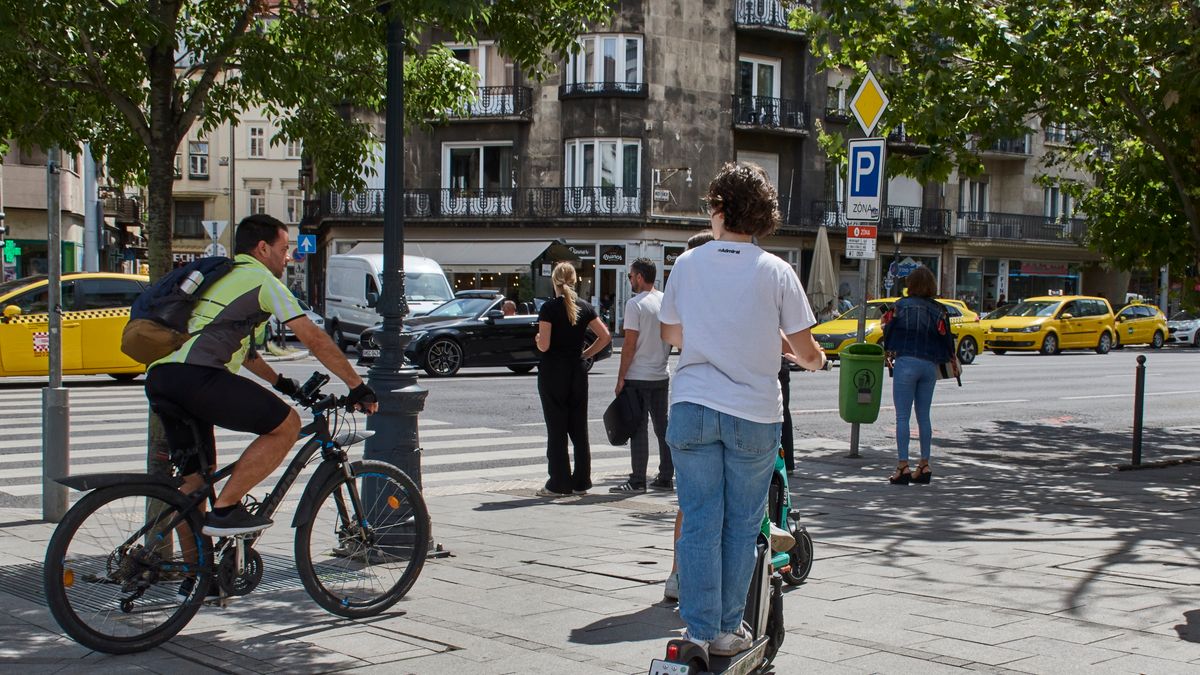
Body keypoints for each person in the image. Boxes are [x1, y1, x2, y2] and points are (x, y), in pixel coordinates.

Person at [659, 163, 826, 656]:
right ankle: (728, 630)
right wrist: (809, 361)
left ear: (720, 208)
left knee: (699, 518)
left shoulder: (688, 264)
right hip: (753, 414)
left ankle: (698, 630)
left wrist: (713, 338)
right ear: (762, 216)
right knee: (740, 525)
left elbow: (670, 332)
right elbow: (806, 348)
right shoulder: (776, 270)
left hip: (692, 405)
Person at [145, 214, 378, 536]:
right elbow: (313, 337)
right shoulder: (263, 280)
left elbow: (245, 354)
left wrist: (280, 382)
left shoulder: (224, 277)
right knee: (287, 425)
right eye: (284, 249)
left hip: (163, 376)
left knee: (196, 483)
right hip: (196, 375)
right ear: (262, 248)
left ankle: (197, 577)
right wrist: (357, 386)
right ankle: (226, 510)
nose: (287, 257)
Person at [663, 228, 714, 602]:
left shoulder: (686, 289)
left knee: (690, 502)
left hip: (687, 400)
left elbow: (671, 335)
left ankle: (678, 575)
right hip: (729, 407)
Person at [534, 262, 612, 497]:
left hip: (553, 372)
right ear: (575, 280)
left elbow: (545, 345)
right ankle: (581, 481)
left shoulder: (549, 308)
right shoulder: (585, 307)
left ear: (554, 281)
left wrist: (537, 338)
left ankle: (558, 482)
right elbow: (605, 336)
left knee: (556, 426)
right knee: (579, 427)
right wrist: (586, 354)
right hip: (577, 371)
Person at [881, 265, 957, 485]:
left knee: (902, 417)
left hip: (906, 362)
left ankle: (902, 466)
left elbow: (888, 331)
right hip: (929, 365)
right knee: (924, 416)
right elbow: (946, 339)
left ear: (910, 285)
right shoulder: (939, 310)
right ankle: (924, 464)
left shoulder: (900, 306)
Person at [611, 258, 673, 494]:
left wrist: (620, 378)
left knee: (638, 429)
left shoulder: (635, 305)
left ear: (639, 277)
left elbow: (629, 344)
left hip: (637, 375)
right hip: (660, 374)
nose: (630, 280)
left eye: (630, 276)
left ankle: (638, 480)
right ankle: (666, 476)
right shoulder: (666, 300)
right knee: (662, 427)